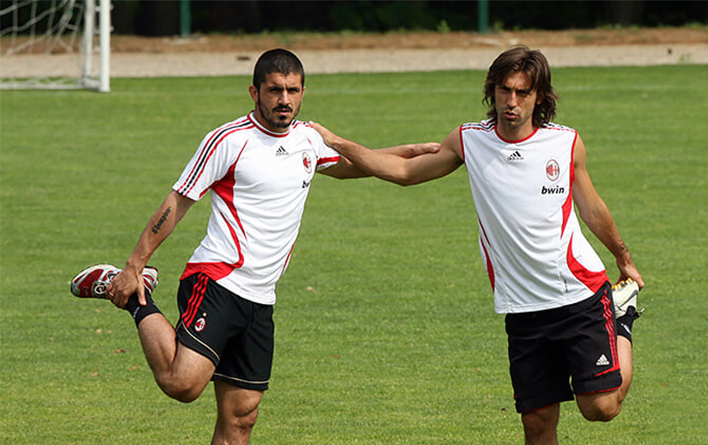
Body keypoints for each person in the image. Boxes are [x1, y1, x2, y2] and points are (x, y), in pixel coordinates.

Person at [70, 48, 438, 445]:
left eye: (293, 90)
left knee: (242, 419)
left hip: (261, 298)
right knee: (182, 384)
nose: (284, 100)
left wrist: (408, 151)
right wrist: (134, 264)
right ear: (254, 92)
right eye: (275, 90)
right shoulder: (228, 140)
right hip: (217, 280)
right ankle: (134, 298)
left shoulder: (307, 141)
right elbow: (177, 202)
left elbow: (354, 166)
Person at [310, 45, 645, 445]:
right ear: (492, 90)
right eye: (505, 90)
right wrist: (336, 142)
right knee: (537, 425)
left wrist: (623, 260)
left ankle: (621, 319)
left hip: (579, 295)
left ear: (540, 97)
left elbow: (592, 208)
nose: (512, 101)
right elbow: (402, 171)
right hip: (522, 309)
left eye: (523, 93)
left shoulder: (565, 144)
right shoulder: (470, 140)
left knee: (601, 409)